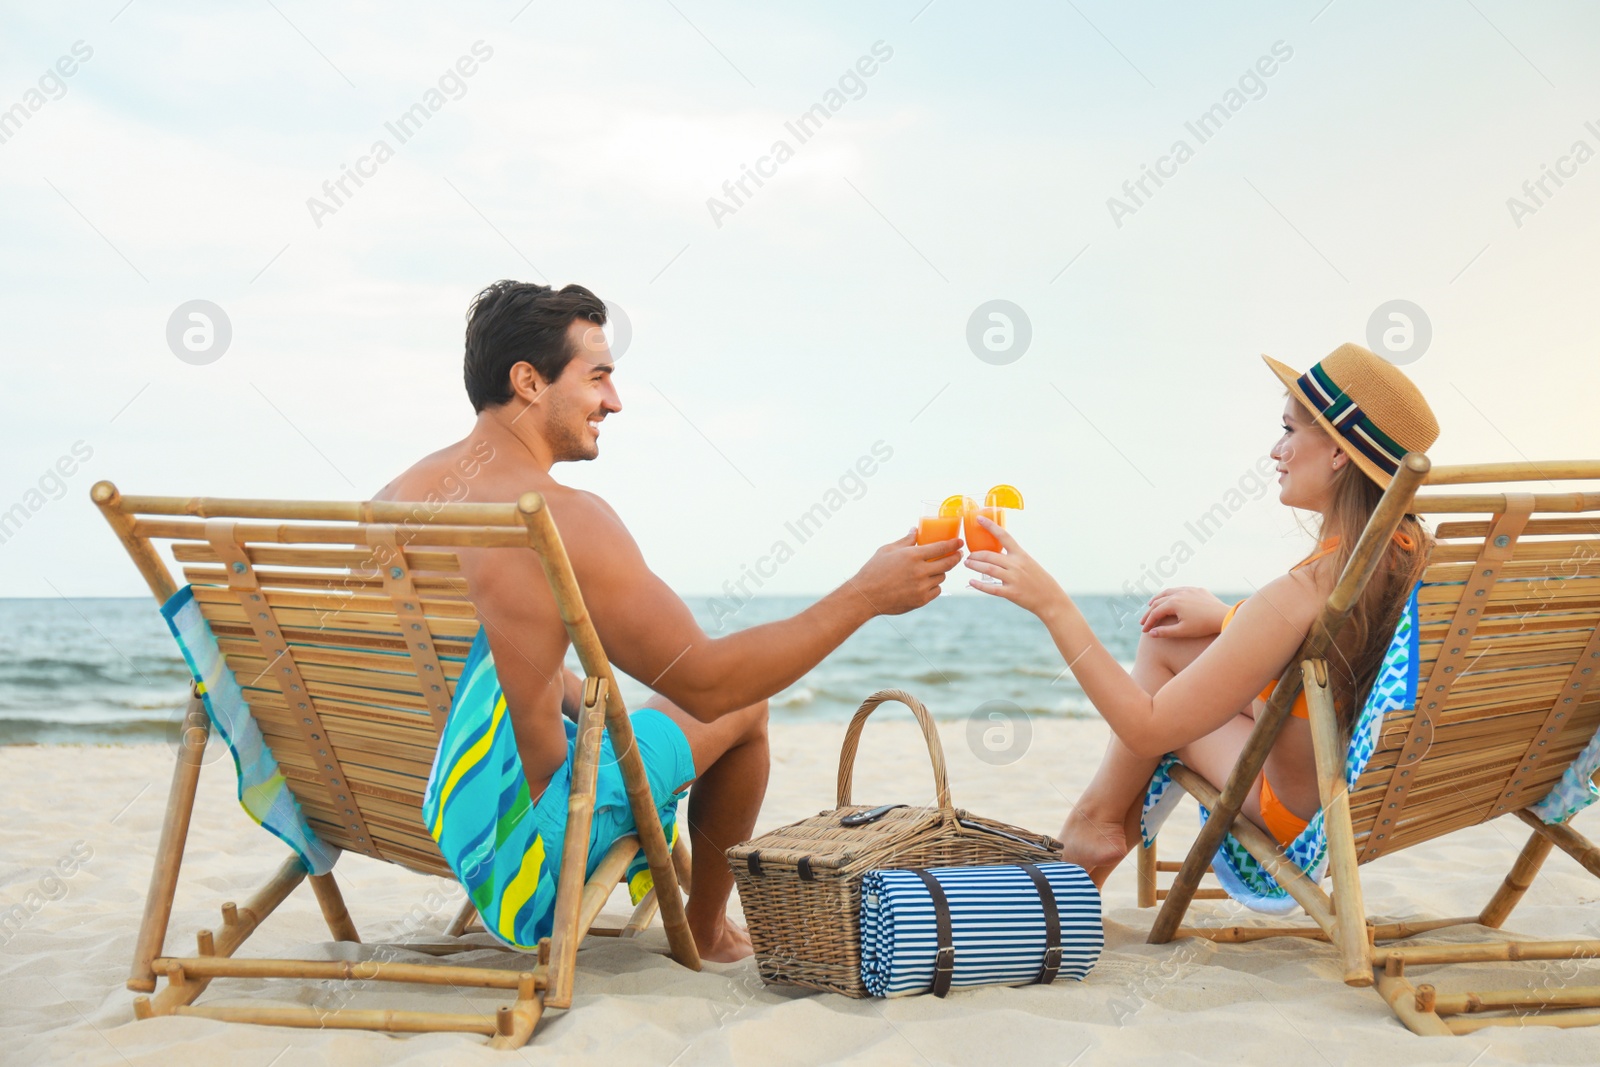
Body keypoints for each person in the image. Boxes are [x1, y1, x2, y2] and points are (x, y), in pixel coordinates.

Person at [375, 280, 961, 960]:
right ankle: (708, 929)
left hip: (418, 808)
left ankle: (695, 902)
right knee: (745, 711)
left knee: (612, 704)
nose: (614, 402)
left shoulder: (399, 499)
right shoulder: (559, 518)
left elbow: (476, 663)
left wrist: (572, 692)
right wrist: (864, 594)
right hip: (532, 847)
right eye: (598, 378)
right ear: (529, 381)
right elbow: (710, 685)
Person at [959, 343, 1438, 885]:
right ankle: (1093, 824)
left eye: (1288, 430)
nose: (1275, 451)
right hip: (1365, 791)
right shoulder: (1400, 556)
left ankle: (1092, 827)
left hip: (1299, 814)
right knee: (1168, 642)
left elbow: (1145, 730)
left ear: (1336, 454)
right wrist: (1226, 616)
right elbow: (1303, 642)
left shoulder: (1304, 589)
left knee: (1157, 705)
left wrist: (1052, 603)